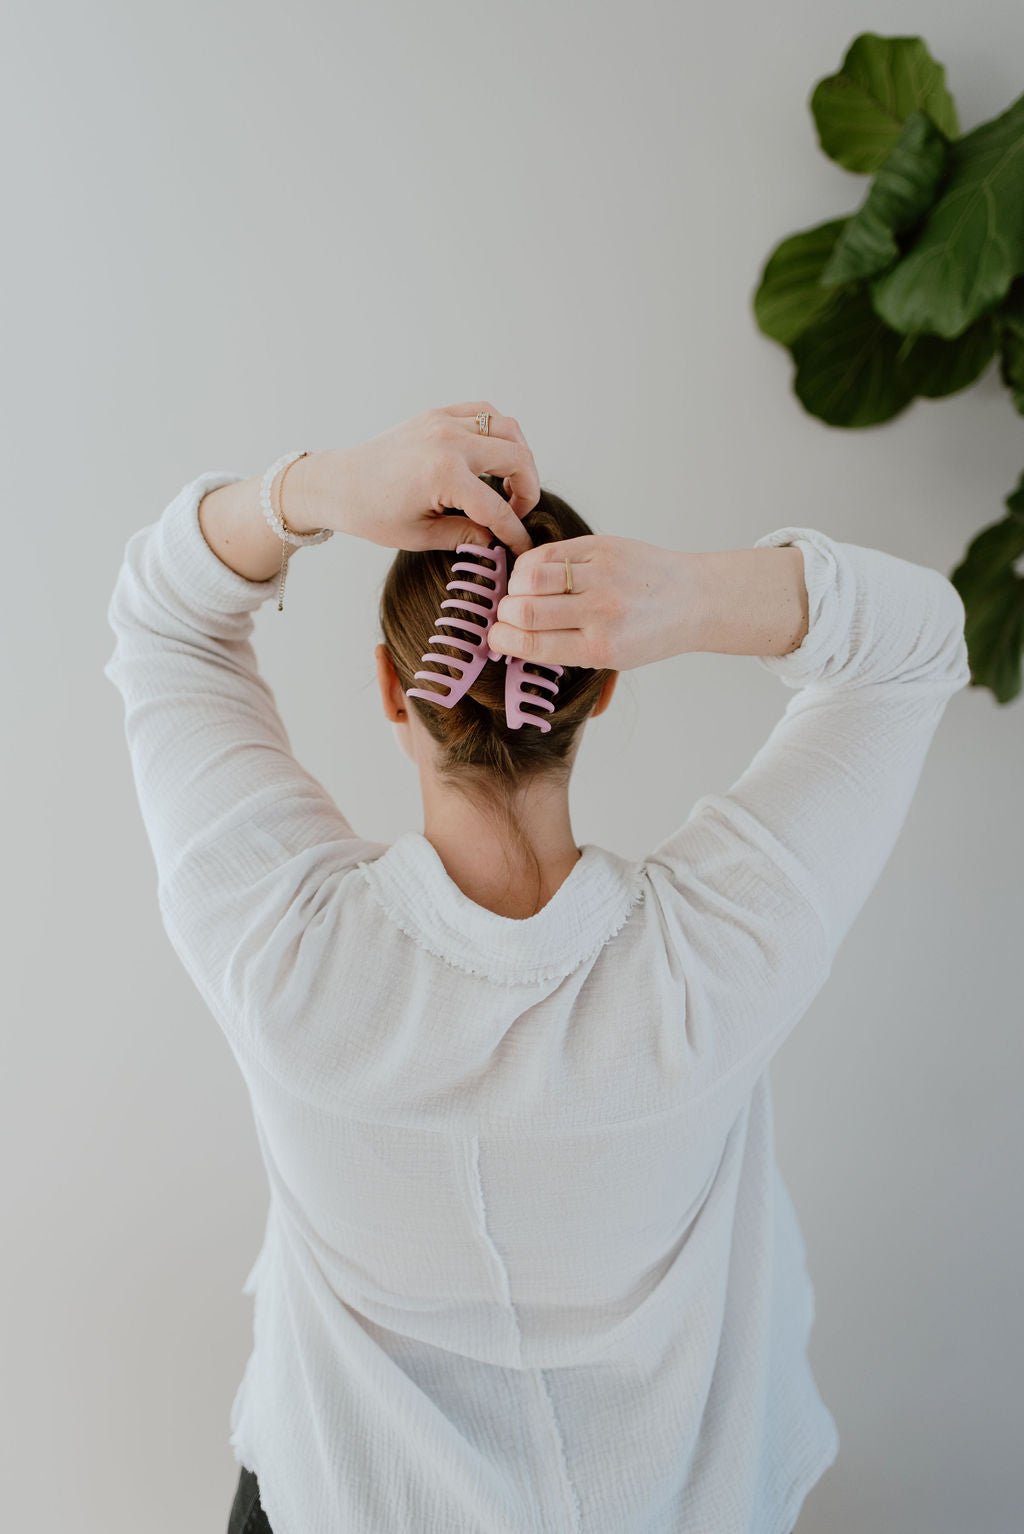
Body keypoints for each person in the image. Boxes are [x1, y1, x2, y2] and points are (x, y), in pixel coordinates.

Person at [103, 402, 970, 1534]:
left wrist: (317, 490)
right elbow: (918, 639)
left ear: (389, 686)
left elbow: (164, 619)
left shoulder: (283, 950)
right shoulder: (718, 957)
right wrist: (695, 596)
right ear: (603, 686)